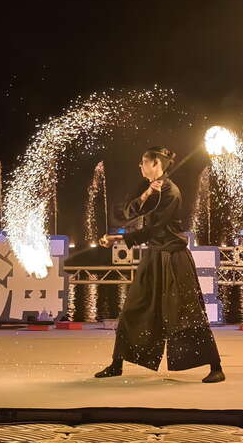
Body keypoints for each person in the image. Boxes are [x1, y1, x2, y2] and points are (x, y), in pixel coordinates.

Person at [94, 146, 225, 383]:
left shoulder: (171, 191)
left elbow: (156, 229)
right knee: (133, 309)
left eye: (144, 162)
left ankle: (216, 367)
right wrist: (146, 194)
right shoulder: (153, 189)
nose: (140, 166)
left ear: (155, 164)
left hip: (174, 259)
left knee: (188, 313)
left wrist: (118, 239)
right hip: (154, 257)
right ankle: (117, 363)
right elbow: (129, 213)